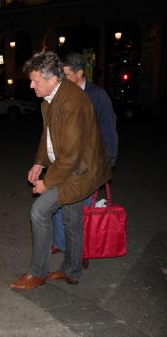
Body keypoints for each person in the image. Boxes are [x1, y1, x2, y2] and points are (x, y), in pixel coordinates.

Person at [9, 51, 111, 291]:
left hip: (80, 173)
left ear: (52, 79)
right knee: (72, 220)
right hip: (70, 168)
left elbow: (71, 157)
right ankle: (72, 270)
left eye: (35, 80)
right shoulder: (51, 98)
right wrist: (39, 163)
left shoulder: (71, 102)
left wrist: (47, 182)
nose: (31, 85)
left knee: (39, 211)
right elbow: (48, 135)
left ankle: (37, 273)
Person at [50, 53, 118, 261]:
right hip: (65, 161)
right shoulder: (61, 93)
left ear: (80, 74)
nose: (62, 79)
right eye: (61, 74)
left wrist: (108, 162)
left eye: (67, 74)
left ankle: (81, 250)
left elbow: (108, 128)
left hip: (89, 164)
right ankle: (61, 243)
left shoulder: (97, 95)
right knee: (59, 204)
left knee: (80, 210)